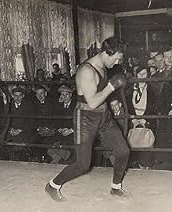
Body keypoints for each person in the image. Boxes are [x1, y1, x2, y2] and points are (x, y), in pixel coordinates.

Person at [45, 37, 130, 201]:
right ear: (107, 53)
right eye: (117, 58)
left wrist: (112, 99)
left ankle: (116, 187)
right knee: (83, 164)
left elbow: (101, 89)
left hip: (104, 116)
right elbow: (91, 102)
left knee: (123, 151)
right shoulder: (86, 70)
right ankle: (53, 185)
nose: (118, 62)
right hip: (85, 119)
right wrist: (112, 86)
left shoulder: (104, 65)